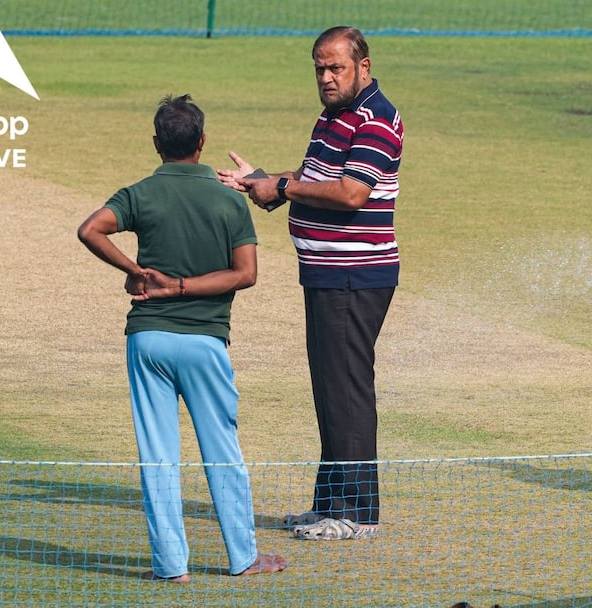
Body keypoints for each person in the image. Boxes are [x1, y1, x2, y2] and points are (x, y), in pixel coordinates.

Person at [77, 94, 286, 580]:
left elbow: (90, 230)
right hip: (205, 343)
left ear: (157, 144)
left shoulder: (139, 193)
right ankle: (244, 558)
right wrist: (185, 288)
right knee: (222, 451)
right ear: (203, 142)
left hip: (147, 339)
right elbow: (246, 274)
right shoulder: (227, 199)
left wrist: (136, 273)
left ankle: (171, 567)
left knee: (158, 455)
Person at [218, 26, 404, 541]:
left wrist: (281, 186)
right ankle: (329, 505)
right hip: (326, 275)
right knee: (330, 389)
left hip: (355, 276)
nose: (325, 77)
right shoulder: (333, 117)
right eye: (319, 68)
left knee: (346, 390)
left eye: (336, 68)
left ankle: (357, 514)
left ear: (363, 66)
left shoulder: (376, 118)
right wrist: (266, 184)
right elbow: (313, 177)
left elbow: (349, 194)